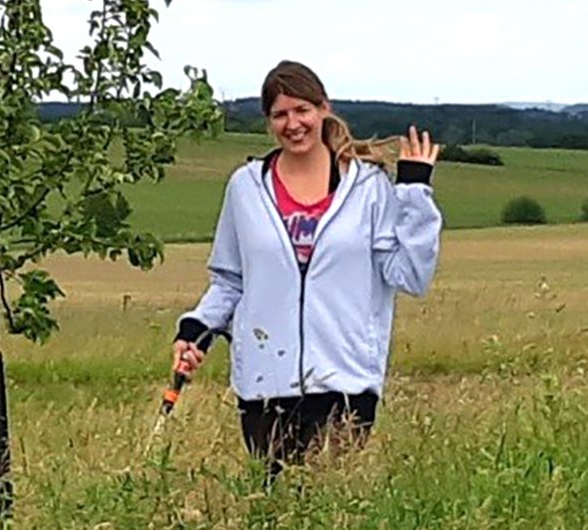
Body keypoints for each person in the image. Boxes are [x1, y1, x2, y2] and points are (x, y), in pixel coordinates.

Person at [172, 60, 442, 476]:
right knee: (275, 506)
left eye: (302, 110)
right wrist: (197, 331)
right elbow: (230, 278)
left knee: (325, 505)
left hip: (344, 382)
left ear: (324, 110)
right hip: (265, 384)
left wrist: (413, 192)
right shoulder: (245, 187)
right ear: (268, 123)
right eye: (280, 114)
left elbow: (411, 274)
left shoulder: (368, 187)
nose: (293, 124)